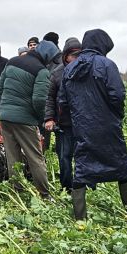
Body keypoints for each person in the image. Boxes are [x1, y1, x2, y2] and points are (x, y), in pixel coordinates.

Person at [60, 29, 127, 220]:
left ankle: (80, 216)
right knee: (120, 162)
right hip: (107, 125)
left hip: (82, 126)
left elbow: (63, 101)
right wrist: (116, 116)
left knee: (81, 166)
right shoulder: (107, 64)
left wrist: (76, 120)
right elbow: (118, 95)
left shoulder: (69, 69)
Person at [0, 40, 59, 198]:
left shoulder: (12, 61)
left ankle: (17, 191)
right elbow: (39, 100)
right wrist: (40, 120)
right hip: (24, 120)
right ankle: (45, 194)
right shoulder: (42, 71)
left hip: (5, 118)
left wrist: (6, 106)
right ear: (47, 56)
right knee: (35, 157)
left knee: (13, 156)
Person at [44, 37, 82, 190]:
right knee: (64, 157)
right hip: (63, 123)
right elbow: (49, 98)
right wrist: (49, 118)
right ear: (65, 56)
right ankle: (67, 187)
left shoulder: (85, 70)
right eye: (73, 55)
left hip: (82, 123)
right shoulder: (57, 73)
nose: (75, 59)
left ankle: (82, 185)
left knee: (82, 156)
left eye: (79, 55)